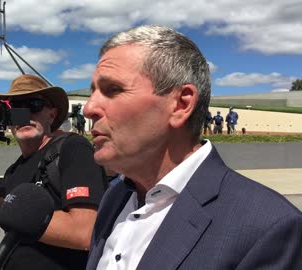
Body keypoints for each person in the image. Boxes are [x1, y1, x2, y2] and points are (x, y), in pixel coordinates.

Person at [83, 25, 302, 269]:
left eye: (113, 89)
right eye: (93, 92)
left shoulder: (267, 227)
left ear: (181, 104)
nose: (89, 108)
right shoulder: (115, 197)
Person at [0, 74, 106, 270]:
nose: (25, 114)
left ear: (51, 115)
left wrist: (3, 212)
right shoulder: (13, 171)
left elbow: (84, 232)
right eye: (16, 108)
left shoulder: (72, 148)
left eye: (34, 105)